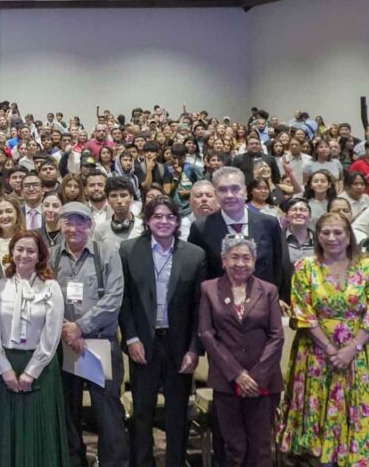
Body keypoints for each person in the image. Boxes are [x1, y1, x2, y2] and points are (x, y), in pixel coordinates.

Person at [276, 211, 369, 466]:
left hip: (362, 354)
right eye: (325, 232)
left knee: (361, 420)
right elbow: (303, 312)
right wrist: (329, 348)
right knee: (320, 427)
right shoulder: (305, 267)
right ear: (318, 236)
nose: (332, 237)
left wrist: (352, 347)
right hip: (317, 354)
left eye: (338, 232)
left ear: (349, 236)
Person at [119, 196, 206, 467]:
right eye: (157, 216)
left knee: (177, 413)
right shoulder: (129, 250)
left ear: (177, 221)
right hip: (143, 343)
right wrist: (131, 338)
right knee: (142, 412)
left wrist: (194, 348)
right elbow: (124, 300)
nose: (163, 221)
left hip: (179, 345)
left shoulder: (194, 255)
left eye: (169, 216)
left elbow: (199, 307)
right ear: (147, 221)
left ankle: (175, 462)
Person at [50, 202, 128, 467]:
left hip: (99, 343)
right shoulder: (51, 256)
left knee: (108, 411)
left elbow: (114, 298)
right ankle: (74, 461)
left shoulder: (107, 252)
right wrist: (67, 330)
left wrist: (80, 327)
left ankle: (113, 463)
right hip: (64, 344)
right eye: (67, 222)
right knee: (68, 410)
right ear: (60, 224)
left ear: (90, 224)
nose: (73, 228)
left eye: (80, 222)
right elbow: (45, 297)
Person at [0, 229, 69, 466]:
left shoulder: (50, 287)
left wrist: (32, 371)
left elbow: (52, 334)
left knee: (39, 428)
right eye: (19, 249)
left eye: (31, 250)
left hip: (41, 367)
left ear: (40, 255)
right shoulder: (0, 286)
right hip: (7, 365)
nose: (24, 255)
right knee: (7, 429)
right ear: (11, 252)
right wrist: (4, 368)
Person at [198, 235, 284, 467]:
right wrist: (237, 374)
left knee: (261, 448)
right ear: (223, 260)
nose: (240, 263)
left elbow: (277, 336)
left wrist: (255, 378)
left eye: (246, 258)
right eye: (234, 257)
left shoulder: (268, 290)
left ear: (254, 262)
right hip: (226, 381)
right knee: (234, 447)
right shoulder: (209, 289)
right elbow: (206, 333)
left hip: (263, 381)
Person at [188, 166, 286, 298]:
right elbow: (198, 274)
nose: (229, 195)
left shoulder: (269, 224)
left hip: (262, 301)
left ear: (245, 192)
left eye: (235, 189)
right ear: (216, 194)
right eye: (222, 190)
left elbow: (278, 266)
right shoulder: (201, 228)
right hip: (220, 303)